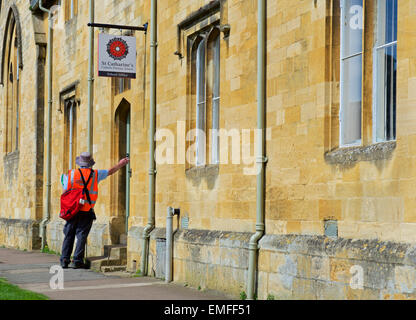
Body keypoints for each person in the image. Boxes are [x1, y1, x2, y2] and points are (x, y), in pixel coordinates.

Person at [59, 152, 129, 269]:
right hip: (86, 209)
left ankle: (64, 259)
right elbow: (110, 171)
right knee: (81, 235)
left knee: (69, 234)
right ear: (90, 163)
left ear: (79, 163)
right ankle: (77, 260)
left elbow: (65, 190)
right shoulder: (95, 174)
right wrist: (122, 163)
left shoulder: (71, 174)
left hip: (72, 209)